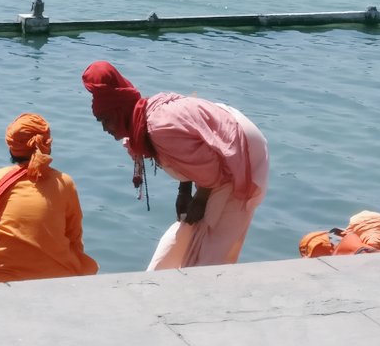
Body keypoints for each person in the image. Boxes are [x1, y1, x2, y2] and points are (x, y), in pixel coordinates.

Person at [81, 61, 269, 270]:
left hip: (237, 151)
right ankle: (161, 277)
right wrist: (185, 190)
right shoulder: (145, 116)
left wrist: (200, 197)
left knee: (212, 251)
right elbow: (193, 146)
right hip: (221, 147)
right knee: (192, 227)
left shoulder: (158, 128)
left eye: (106, 119)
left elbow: (213, 170)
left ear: (119, 112)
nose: (104, 128)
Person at [0, 113, 98, 286]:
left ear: (11, 147)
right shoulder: (65, 183)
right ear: (47, 145)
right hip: (58, 273)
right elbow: (74, 238)